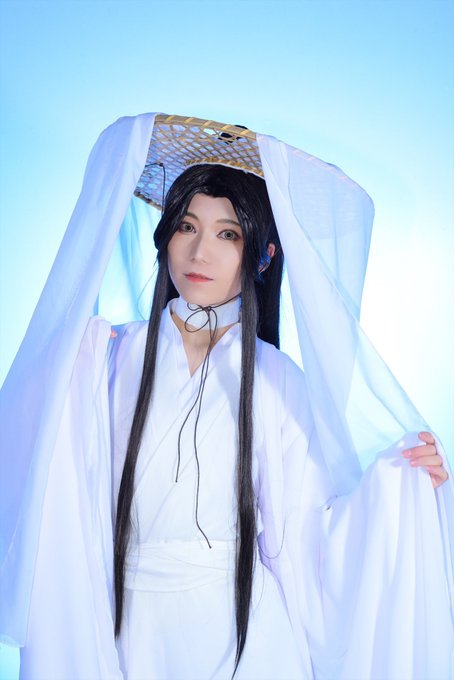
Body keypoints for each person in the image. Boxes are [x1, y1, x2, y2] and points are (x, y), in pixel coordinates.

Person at [1, 113, 453, 680]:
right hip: (122, 629)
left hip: (248, 638)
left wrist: (398, 486)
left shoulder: (279, 380)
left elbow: (306, 538)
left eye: (227, 234)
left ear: (263, 256)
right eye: (186, 227)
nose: (199, 253)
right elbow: (34, 468)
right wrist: (57, 377)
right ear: (164, 236)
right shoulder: (102, 358)